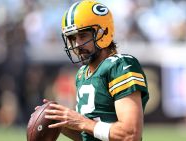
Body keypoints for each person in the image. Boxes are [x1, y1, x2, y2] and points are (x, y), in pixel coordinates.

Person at [42, 0, 149, 140]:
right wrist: (60, 122)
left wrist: (81, 122)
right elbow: (91, 135)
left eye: (83, 35)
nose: (77, 44)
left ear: (103, 32)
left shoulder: (120, 65)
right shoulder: (82, 74)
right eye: (72, 38)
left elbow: (130, 134)